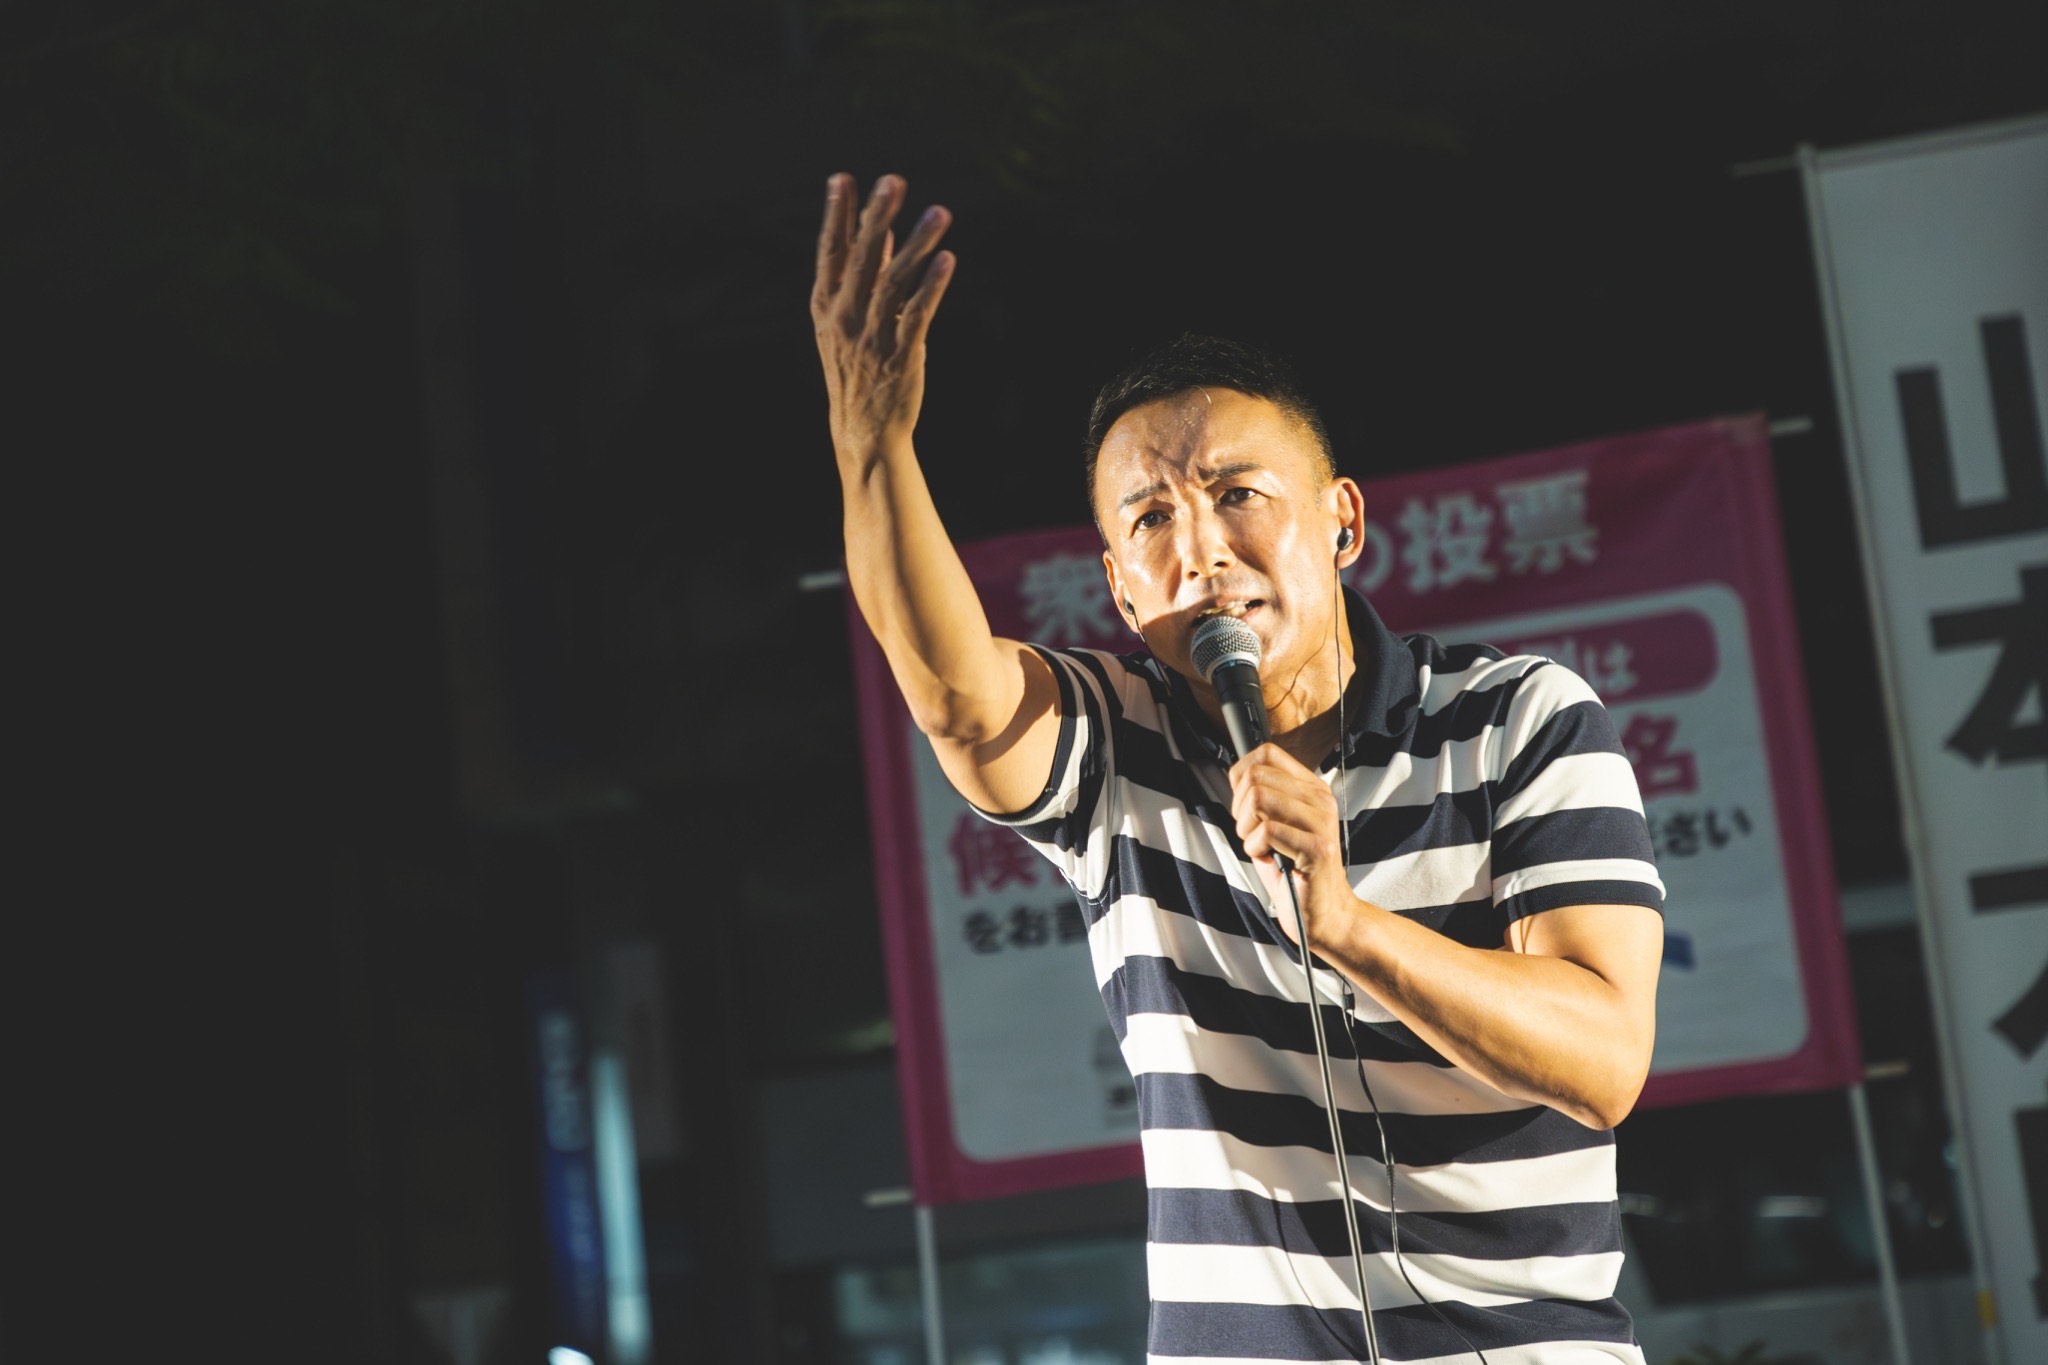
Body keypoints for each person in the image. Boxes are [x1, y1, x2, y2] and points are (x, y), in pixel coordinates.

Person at [811, 171, 1666, 1365]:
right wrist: (870, 443)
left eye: (1235, 495)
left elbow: (1602, 1061)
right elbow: (957, 697)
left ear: (1341, 522)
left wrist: (1345, 924)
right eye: (1150, 519)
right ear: (1120, 591)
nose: (1201, 550)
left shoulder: (1518, 718)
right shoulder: (1115, 744)